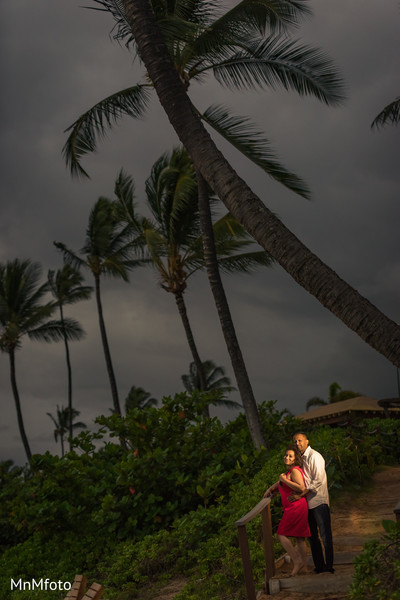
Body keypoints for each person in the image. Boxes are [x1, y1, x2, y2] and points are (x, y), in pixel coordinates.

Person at [264, 445, 311, 576]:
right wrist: (271, 488)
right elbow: (283, 483)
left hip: (296, 507)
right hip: (294, 507)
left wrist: (283, 479)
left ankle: (297, 561)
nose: (287, 457)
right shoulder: (289, 472)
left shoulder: (295, 471)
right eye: (286, 455)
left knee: (281, 534)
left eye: (290, 456)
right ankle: (304, 568)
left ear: (295, 459)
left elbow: (301, 488)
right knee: (300, 538)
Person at [292, 432, 334, 574]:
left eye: (300, 440)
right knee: (312, 538)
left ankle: (329, 566)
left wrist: (301, 494)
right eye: (295, 441)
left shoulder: (314, 456)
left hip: (319, 502)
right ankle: (319, 566)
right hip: (307, 503)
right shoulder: (300, 459)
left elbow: (318, 481)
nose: (297, 443)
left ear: (307, 441)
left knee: (325, 536)